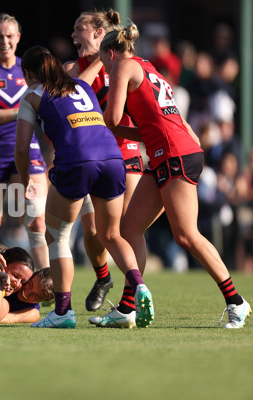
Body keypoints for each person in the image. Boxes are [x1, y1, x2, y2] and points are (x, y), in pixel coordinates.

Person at [99, 23, 250, 329]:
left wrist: (101, 126)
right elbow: (165, 118)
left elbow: (112, 120)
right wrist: (144, 135)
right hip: (174, 150)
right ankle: (128, 308)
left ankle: (237, 302)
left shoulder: (120, 67)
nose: (103, 66)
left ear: (110, 53)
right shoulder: (147, 66)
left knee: (186, 235)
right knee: (130, 229)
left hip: (172, 153)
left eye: (103, 60)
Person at [15, 45, 154, 329]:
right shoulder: (81, 85)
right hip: (114, 159)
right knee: (112, 234)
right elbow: (94, 78)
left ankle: (63, 312)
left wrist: (25, 178)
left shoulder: (32, 95)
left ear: (28, 73)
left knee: (57, 236)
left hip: (77, 161)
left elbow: (20, 149)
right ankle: (139, 285)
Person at [63, 9, 144, 312]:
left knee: (124, 229)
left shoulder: (124, 63)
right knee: (93, 232)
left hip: (127, 151)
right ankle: (103, 277)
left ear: (98, 32)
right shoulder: (72, 66)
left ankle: (131, 298)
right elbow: (71, 93)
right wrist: (99, 58)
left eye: (79, 28)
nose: (73, 35)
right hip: (92, 155)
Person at [0, 13, 48, 270]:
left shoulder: (29, 68)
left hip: (27, 148)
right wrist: (21, 111)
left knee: (37, 219)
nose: (5, 41)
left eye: (9, 36)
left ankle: (48, 284)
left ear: (18, 38)